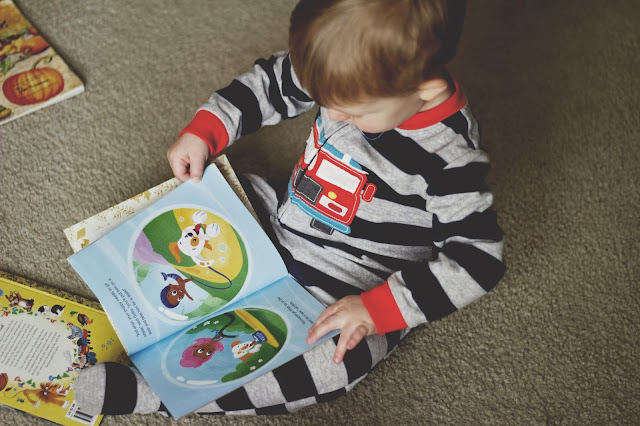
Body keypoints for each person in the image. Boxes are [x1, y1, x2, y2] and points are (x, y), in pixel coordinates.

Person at [76, 0, 505, 416]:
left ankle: (159, 393)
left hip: (352, 280)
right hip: (285, 212)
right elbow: (271, 82)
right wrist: (206, 130)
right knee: (203, 193)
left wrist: (378, 309)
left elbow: (479, 260)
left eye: (353, 111)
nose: (332, 113)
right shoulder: (342, 65)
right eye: (324, 98)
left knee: (335, 362)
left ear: (425, 88)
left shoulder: (450, 159)